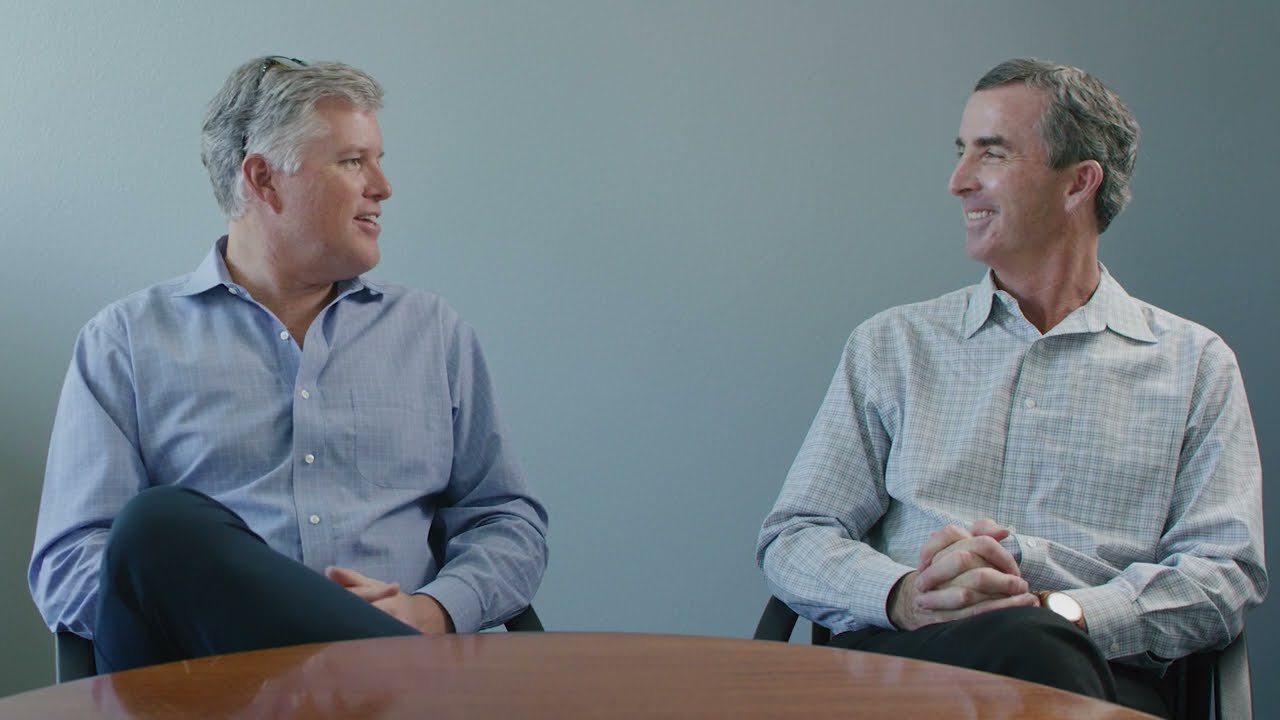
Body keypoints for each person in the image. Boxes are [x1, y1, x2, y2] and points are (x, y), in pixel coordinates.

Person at [756, 58, 1266, 717]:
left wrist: (1067, 612)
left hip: (1099, 678)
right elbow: (795, 534)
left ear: (1078, 183)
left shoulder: (1195, 364)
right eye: (961, 152)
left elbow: (1224, 571)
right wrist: (906, 593)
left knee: (1035, 645)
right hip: (906, 666)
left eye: (990, 154)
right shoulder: (893, 345)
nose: (958, 182)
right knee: (1025, 646)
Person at [29, 56, 548, 673]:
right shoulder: (124, 342)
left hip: (407, 686)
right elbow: (70, 564)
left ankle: (363, 664)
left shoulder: (432, 333)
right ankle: (354, 657)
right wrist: (241, 620)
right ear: (264, 179)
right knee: (157, 527)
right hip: (210, 694)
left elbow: (507, 522)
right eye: (353, 161)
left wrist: (435, 610)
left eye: (377, 161)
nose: (381, 187)